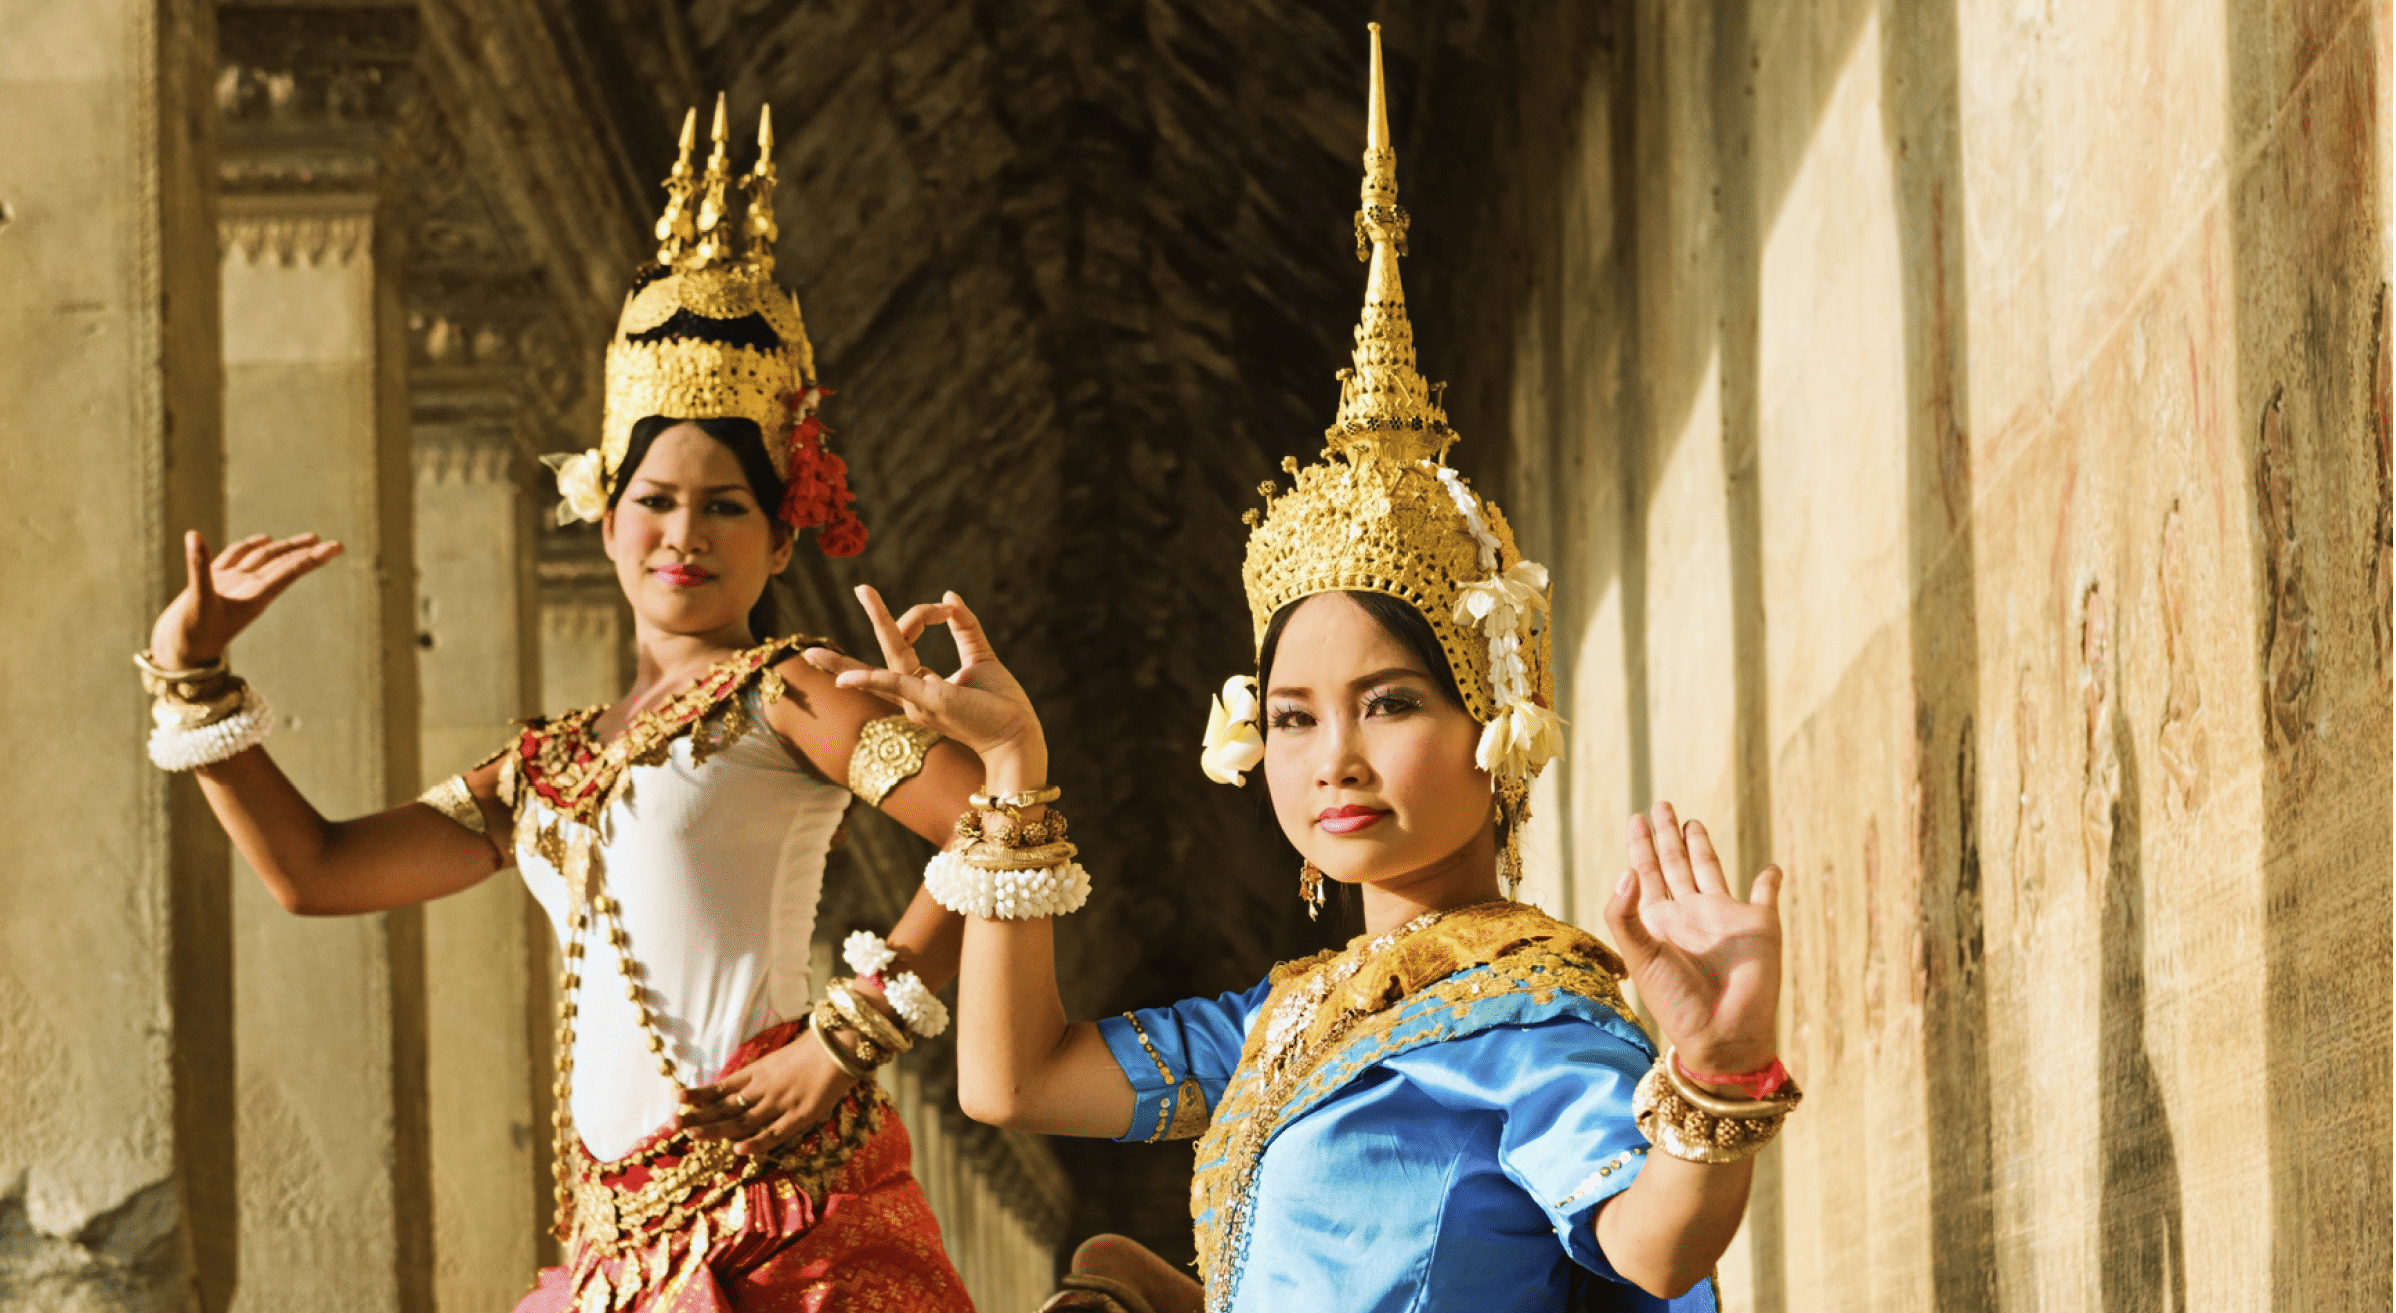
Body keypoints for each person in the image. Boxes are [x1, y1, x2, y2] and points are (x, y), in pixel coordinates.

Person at [803, 27, 1795, 1313]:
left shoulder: (1530, 1015)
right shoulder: (1280, 1025)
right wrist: (1009, 773)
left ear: (1495, 718)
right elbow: (1014, 1079)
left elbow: (1651, 1247)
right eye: (1291, 715)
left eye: (1389, 702)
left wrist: (1720, 1069)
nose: (1332, 755)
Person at [138, 98, 980, 1311]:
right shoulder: (545, 768)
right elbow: (313, 868)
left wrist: (847, 1037)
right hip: (610, 1250)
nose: (681, 535)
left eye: (723, 505)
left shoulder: (789, 689)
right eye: (653, 498)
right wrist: (195, 680)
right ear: (603, 504)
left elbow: (996, 818)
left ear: (783, 528)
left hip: (776, 1212)